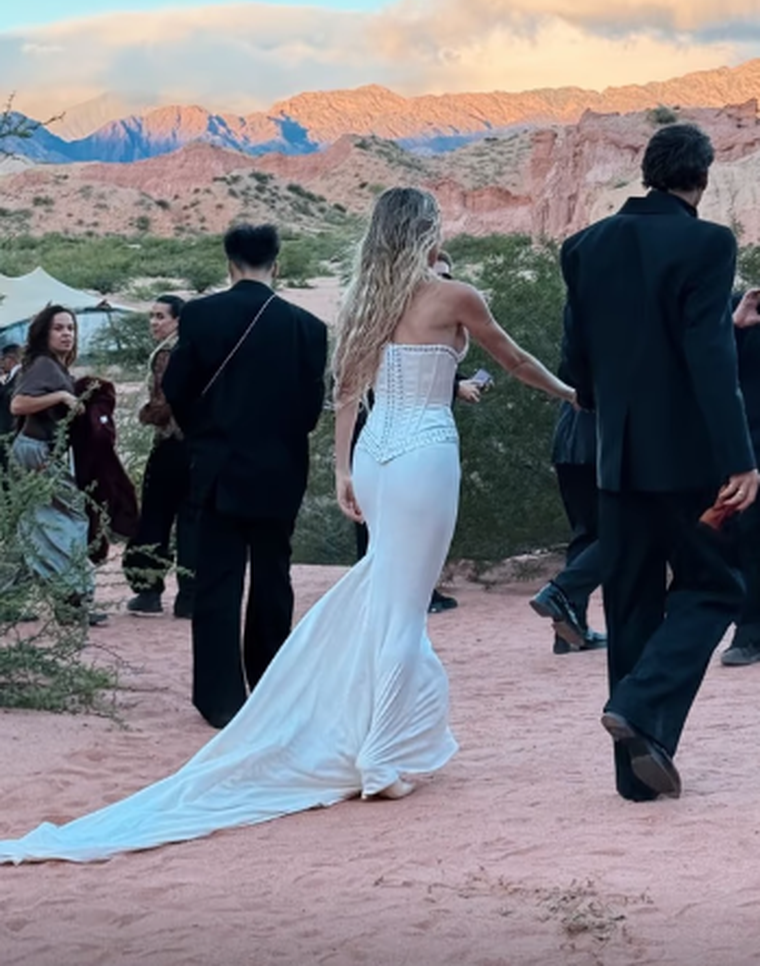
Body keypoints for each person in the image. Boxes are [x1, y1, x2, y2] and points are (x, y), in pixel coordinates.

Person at [0, 187, 575, 865]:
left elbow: (337, 394)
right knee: (397, 601)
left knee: (344, 588)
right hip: (415, 452)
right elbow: (510, 358)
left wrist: (342, 472)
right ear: (427, 230)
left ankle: (316, 722)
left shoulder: (362, 297)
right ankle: (382, 755)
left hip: (363, 455)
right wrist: (574, 394)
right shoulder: (440, 298)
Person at [560, 123, 758, 802]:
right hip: (692, 467)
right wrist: (740, 457)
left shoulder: (584, 246)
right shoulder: (707, 242)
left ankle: (636, 777)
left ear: (648, 172)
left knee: (632, 603)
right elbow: (708, 357)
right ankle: (644, 706)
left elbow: (577, 363)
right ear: (700, 179)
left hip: (616, 462)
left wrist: (605, 403)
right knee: (717, 586)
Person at [162, 225, 328, 729]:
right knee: (273, 578)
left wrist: (204, 435)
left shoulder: (200, 314)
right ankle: (272, 685)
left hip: (216, 468)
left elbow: (177, 386)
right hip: (279, 468)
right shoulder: (308, 327)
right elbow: (309, 410)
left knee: (218, 581)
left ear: (229, 263)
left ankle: (220, 698)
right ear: (277, 265)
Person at [352, 248, 483, 615]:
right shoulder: (389, 309)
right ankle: (392, 593)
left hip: (415, 436)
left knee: (415, 527)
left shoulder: (388, 306)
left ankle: (410, 593)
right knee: (387, 527)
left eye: (446, 277)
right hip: (394, 435)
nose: (440, 283)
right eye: (434, 275)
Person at [9, 306, 105, 627]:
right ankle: (71, 599)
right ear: (43, 333)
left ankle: (10, 597)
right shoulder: (44, 366)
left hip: (34, 451)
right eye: (58, 328)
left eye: (71, 328)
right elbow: (18, 404)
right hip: (37, 452)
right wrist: (62, 396)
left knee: (31, 525)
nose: (67, 334)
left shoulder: (50, 365)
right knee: (68, 520)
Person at [123, 295, 196, 619]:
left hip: (170, 445)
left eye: (160, 316)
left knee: (154, 519)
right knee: (192, 522)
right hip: (198, 448)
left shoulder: (167, 353)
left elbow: (162, 403)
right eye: (151, 316)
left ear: (177, 320)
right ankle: (190, 596)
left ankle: (148, 591)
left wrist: (145, 414)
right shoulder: (199, 348)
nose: (154, 322)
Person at [530, 401, 607, 654]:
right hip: (601, 439)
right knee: (624, 533)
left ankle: (571, 629)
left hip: (568, 441)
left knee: (585, 533)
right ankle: (562, 592)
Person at [720, 288, 760, 665]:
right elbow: (706, 364)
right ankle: (749, 631)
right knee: (742, 537)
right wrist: (735, 325)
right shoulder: (738, 306)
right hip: (746, 450)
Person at [0, 343, 22, 468]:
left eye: (3, 359)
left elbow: (8, 398)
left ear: (11, 358)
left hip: (9, 432)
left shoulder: (19, 376)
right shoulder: (11, 377)